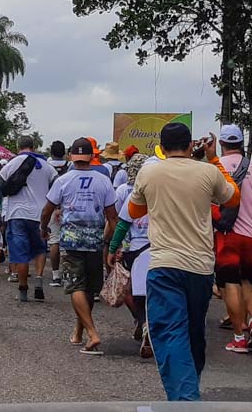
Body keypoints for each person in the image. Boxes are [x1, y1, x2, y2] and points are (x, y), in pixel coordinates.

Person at [128, 123, 240, 401]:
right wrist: (213, 158)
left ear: (162, 148)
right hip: (201, 267)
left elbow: (134, 210)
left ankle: (186, 399)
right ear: (192, 146)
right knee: (193, 332)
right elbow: (233, 196)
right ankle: (187, 389)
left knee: (169, 332)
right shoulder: (208, 171)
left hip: (165, 264)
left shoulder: (150, 171)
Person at [41, 137, 118, 355]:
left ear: (71, 156)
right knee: (89, 289)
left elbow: (47, 209)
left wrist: (43, 228)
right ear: (92, 157)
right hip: (95, 242)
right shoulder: (103, 180)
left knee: (76, 287)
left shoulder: (63, 180)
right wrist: (115, 243)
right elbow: (112, 216)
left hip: (72, 241)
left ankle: (92, 333)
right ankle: (78, 331)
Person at [212, 124, 252, 354]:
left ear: (221, 143)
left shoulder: (216, 167)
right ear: (240, 143)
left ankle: (239, 336)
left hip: (228, 234)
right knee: (250, 282)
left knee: (231, 285)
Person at [0, 135, 57, 302]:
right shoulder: (46, 165)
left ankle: (23, 289)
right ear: (33, 147)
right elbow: (57, 184)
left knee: (21, 253)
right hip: (40, 215)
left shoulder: (13, 163)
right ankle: (39, 280)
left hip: (17, 214)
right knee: (40, 249)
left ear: (18, 146)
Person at [107, 152, 151, 358]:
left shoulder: (132, 193)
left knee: (134, 291)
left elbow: (122, 222)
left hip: (136, 249)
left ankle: (143, 323)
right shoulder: (164, 191)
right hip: (165, 249)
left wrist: (112, 246)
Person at [47, 140, 70, 287]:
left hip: (52, 206)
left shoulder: (47, 167)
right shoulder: (70, 166)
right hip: (68, 208)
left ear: (51, 153)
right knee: (68, 242)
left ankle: (55, 276)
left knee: (54, 241)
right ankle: (68, 275)